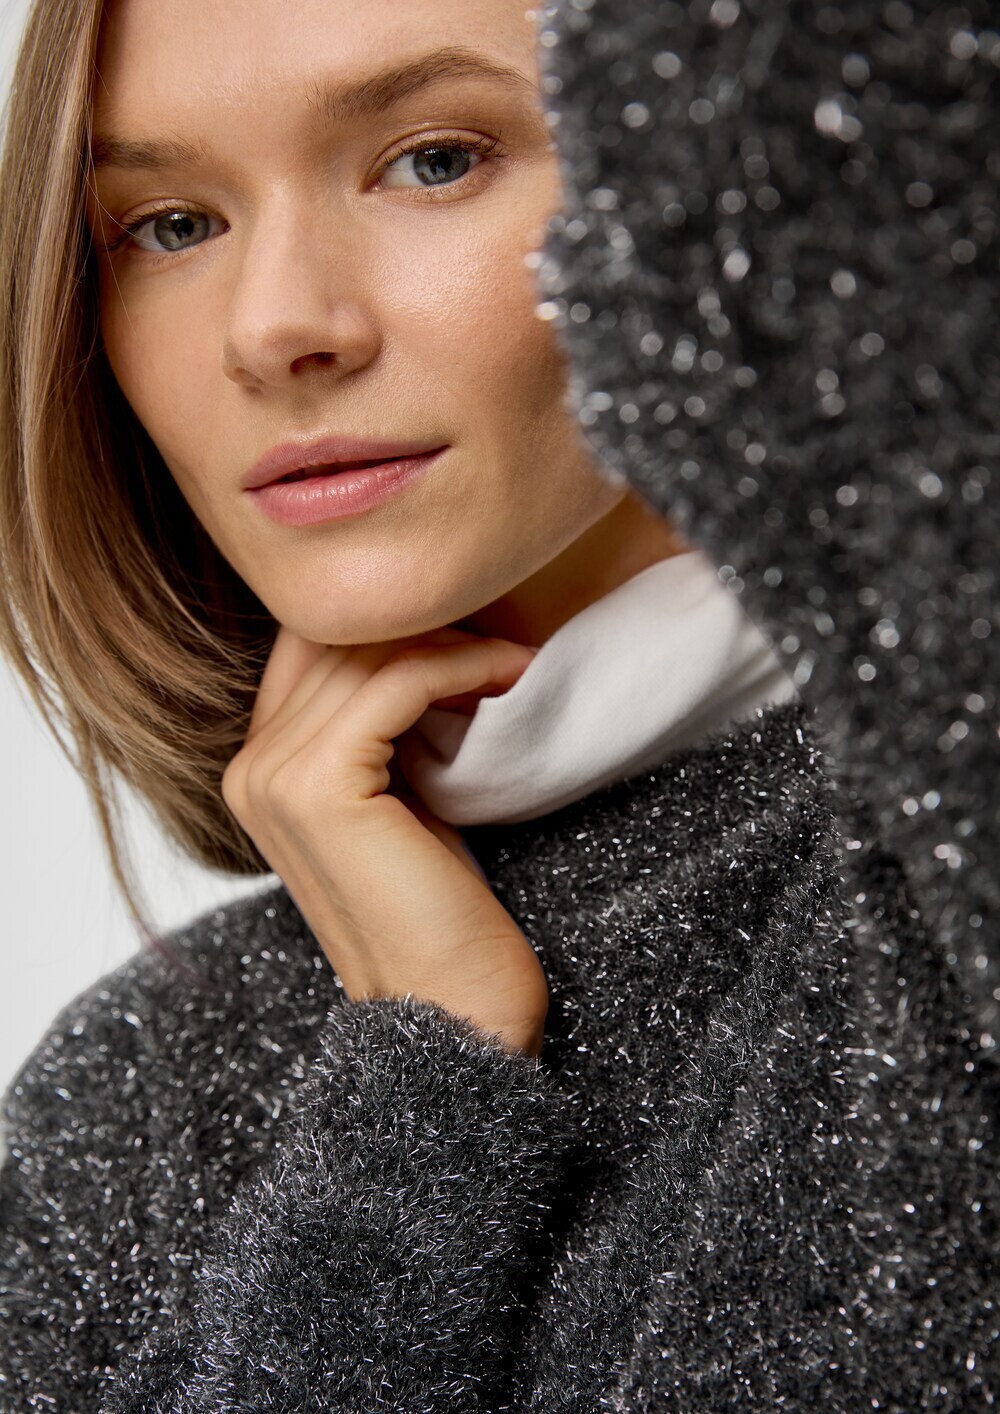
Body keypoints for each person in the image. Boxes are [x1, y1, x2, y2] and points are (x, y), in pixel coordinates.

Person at [0, 0, 995, 1409]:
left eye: (435, 160)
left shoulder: (940, 874)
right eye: (170, 225)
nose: (274, 327)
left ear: (709, 179)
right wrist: (417, 1082)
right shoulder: (142, 1080)